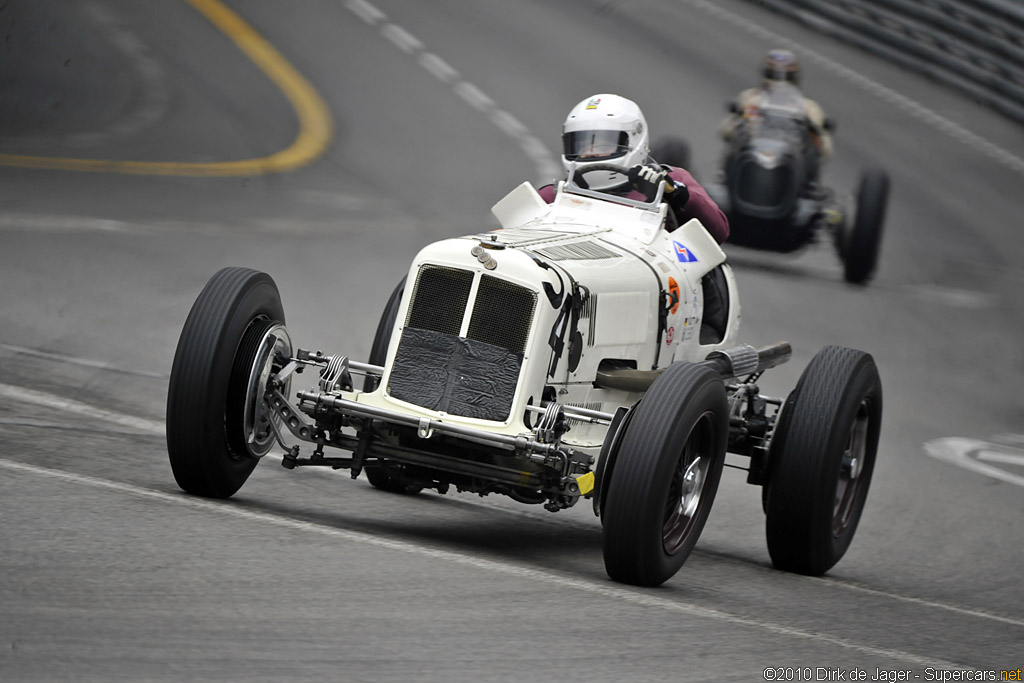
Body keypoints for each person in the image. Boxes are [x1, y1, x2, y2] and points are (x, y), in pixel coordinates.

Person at [537, 93, 729, 245]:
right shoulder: (556, 194)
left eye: (603, 145)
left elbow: (718, 232)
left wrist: (677, 195)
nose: (590, 153)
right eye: (583, 146)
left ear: (633, 140)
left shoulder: (671, 181)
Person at [720, 49, 833, 160]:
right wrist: (742, 118)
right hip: (752, 153)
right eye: (773, 75)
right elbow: (725, 131)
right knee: (732, 153)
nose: (779, 82)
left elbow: (825, 147)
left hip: (790, 158)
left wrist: (813, 131)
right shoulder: (750, 97)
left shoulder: (808, 107)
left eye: (786, 76)